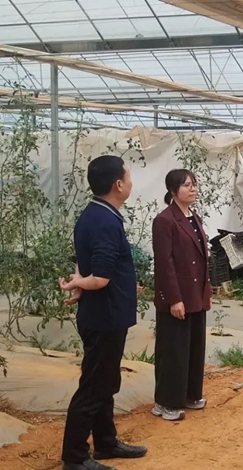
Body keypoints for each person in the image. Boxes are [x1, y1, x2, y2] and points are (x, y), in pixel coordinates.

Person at [58, 155, 147, 470]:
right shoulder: (106, 220)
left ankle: (106, 442)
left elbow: (88, 262)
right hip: (105, 317)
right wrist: (81, 283)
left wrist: (81, 282)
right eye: (128, 176)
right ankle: (75, 457)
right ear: (118, 184)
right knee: (94, 386)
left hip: (103, 313)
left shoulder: (94, 214)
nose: (131, 182)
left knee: (105, 382)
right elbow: (101, 277)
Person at [151, 169, 212, 421]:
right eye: (187, 185)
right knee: (173, 350)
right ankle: (165, 402)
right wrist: (174, 299)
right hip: (177, 296)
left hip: (196, 294)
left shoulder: (193, 217)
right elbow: (164, 263)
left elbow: (202, 257)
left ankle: (189, 394)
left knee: (194, 347)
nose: (193, 188)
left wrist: (205, 291)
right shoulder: (165, 221)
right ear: (173, 190)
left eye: (194, 184)